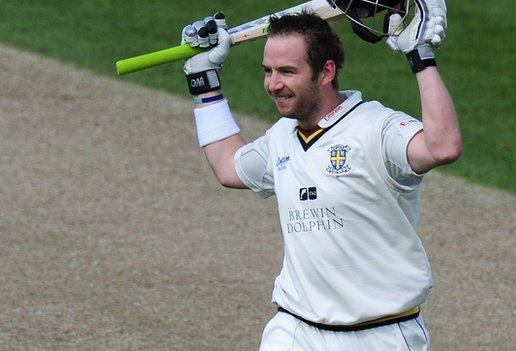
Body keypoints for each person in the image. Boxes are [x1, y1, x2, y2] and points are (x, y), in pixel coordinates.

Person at [180, 0, 460, 349]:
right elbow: (227, 166)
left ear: (326, 72)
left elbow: (443, 147)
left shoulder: (376, 129)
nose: (273, 84)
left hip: (381, 335)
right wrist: (203, 83)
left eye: (286, 71)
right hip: (295, 330)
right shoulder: (281, 137)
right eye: (268, 71)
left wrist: (421, 56)